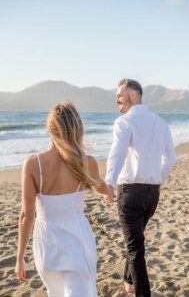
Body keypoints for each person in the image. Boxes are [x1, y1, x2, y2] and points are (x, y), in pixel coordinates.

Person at [15, 100, 113, 297]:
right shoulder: (87, 162)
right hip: (77, 240)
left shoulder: (33, 164)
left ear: (49, 129)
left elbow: (27, 215)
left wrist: (20, 258)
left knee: (55, 293)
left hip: (46, 244)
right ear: (78, 128)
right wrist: (110, 193)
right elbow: (101, 186)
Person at [105, 78, 176, 297]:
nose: (117, 98)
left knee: (135, 247)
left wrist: (108, 182)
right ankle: (128, 280)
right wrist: (157, 178)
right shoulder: (160, 123)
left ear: (133, 95)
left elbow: (117, 154)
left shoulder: (124, 122)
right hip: (152, 194)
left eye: (120, 94)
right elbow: (170, 159)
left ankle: (142, 293)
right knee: (135, 239)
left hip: (131, 193)